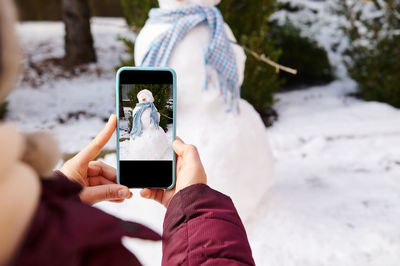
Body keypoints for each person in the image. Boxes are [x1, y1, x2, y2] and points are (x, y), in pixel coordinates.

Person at [0, 0, 255, 265]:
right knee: (148, 146)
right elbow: (134, 124)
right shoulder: (79, 248)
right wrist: (194, 210)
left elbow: (156, 118)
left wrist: (54, 196)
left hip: (192, 127)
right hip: (191, 201)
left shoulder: (34, 221)